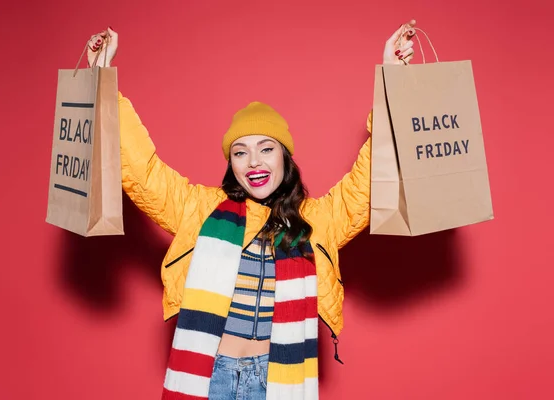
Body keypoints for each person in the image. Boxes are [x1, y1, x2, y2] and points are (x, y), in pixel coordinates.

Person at [85, 20, 416, 400]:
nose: (253, 161)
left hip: (278, 378)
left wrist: (393, 82)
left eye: (266, 148)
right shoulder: (199, 209)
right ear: (232, 164)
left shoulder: (317, 220)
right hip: (210, 374)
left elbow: (369, 180)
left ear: (285, 157)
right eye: (240, 152)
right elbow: (141, 171)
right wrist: (103, 79)